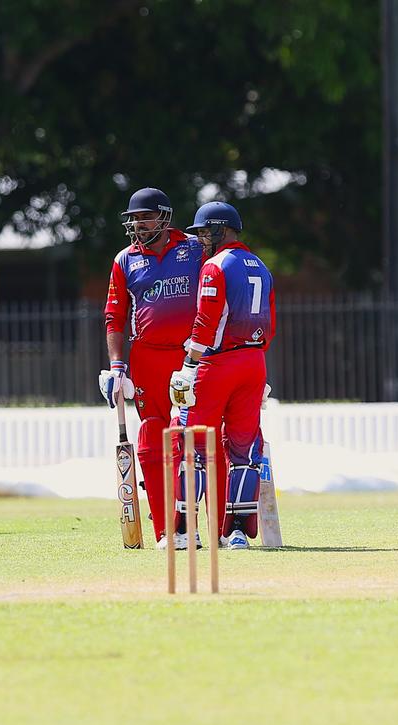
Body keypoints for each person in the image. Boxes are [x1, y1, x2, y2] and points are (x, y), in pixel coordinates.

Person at [101, 187, 224, 549]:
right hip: (146, 360)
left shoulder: (194, 249)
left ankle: (211, 527)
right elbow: (114, 316)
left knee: (196, 438)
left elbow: (218, 295)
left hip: (191, 357)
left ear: (164, 217)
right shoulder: (125, 259)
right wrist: (117, 366)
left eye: (145, 217)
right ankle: (169, 531)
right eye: (134, 219)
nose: (139, 224)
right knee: (152, 439)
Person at [169, 201, 275, 549]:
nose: (200, 240)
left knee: (194, 444)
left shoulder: (215, 266)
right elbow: (269, 327)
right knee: (244, 450)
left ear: (219, 230)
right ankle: (238, 533)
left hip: (217, 365)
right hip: (254, 362)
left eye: (203, 232)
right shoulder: (261, 266)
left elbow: (206, 322)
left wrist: (189, 364)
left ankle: (186, 531)